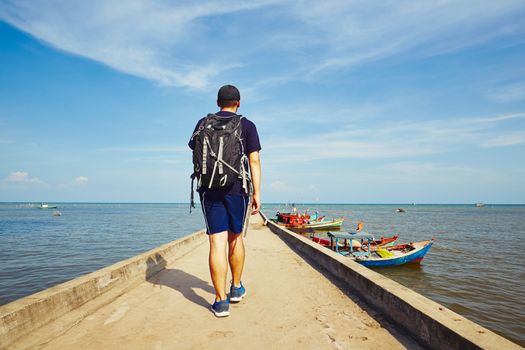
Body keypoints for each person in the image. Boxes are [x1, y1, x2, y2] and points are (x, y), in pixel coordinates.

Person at [188, 85, 261, 317]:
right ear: (238, 103)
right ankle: (236, 288)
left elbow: (195, 151)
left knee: (216, 243)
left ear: (217, 102)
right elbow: (254, 161)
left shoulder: (202, 123)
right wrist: (257, 193)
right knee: (235, 238)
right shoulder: (246, 125)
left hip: (209, 190)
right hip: (237, 189)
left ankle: (220, 302)